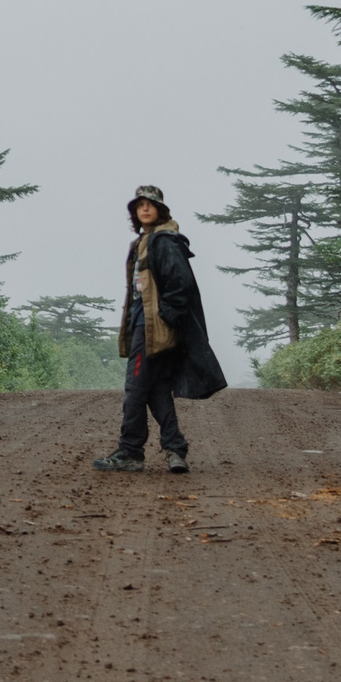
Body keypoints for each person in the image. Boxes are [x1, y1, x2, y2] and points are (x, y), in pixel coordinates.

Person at [93, 184, 227, 473]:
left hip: (154, 328)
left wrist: (164, 318)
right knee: (156, 390)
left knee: (135, 388)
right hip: (147, 323)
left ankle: (130, 451)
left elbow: (181, 285)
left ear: (160, 209)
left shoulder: (163, 240)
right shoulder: (146, 241)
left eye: (150, 204)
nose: (144, 208)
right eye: (139, 205)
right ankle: (175, 449)